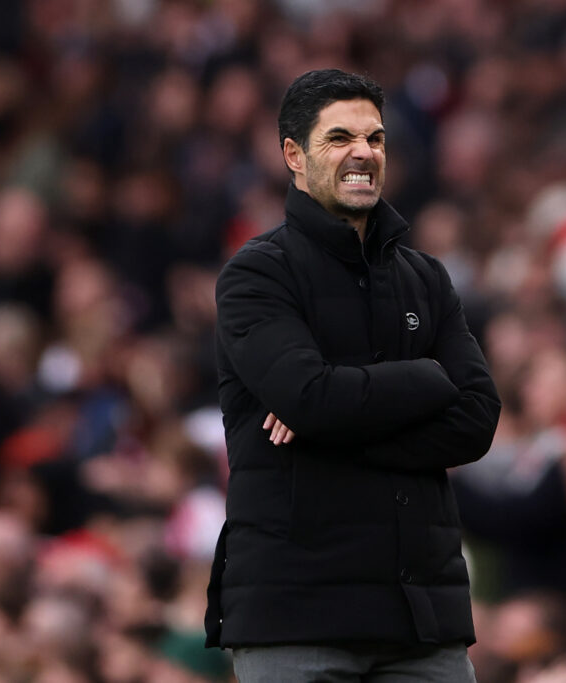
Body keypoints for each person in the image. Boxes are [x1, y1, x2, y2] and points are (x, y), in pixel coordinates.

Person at [203, 69, 501, 682]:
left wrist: (332, 419)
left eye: (376, 138)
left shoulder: (427, 278)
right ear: (293, 154)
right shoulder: (257, 276)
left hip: (423, 622)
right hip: (298, 618)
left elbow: (476, 422)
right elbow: (311, 399)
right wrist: (425, 378)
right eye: (340, 138)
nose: (364, 152)